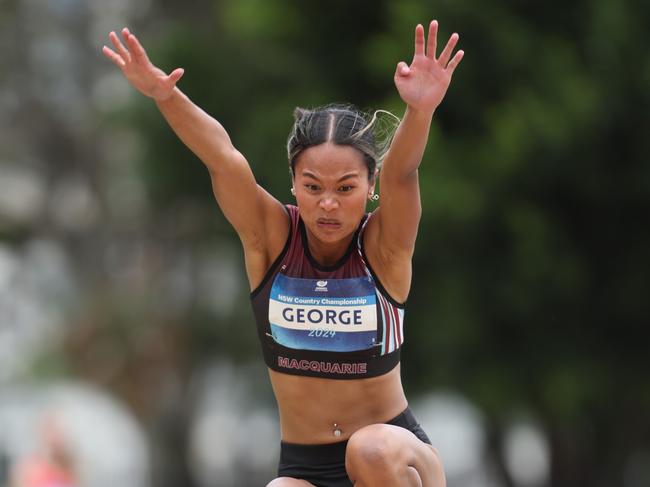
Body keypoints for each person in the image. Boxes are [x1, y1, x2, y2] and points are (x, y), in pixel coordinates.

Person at [103, 19, 463, 487]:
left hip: (392, 456)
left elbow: (402, 172)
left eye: (345, 188)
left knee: (368, 450)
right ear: (293, 184)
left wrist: (420, 113)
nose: (328, 203)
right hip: (304, 466)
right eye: (312, 187)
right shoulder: (270, 238)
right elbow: (222, 157)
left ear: (369, 188)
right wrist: (165, 95)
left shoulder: (385, 247)